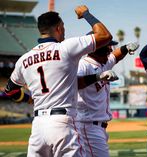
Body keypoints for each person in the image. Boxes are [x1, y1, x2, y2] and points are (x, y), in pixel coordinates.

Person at [4, 5, 114, 157]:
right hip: (62, 123)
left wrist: (29, 99)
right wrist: (86, 14)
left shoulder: (24, 59)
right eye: (63, 27)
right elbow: (105, 36)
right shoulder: (65, 48)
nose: (64, 31)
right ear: (58, 28)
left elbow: (10, 90)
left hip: (38, 127)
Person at [76, 39, 139, 157]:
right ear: (96, 48)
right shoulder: (83, 64)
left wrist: (126, 47)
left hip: (97, 127)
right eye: (108, 46)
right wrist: (98, 77)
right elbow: (75, 83)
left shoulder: (103, 63)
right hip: (88, 126)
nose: (111, 49)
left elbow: (116, 56)